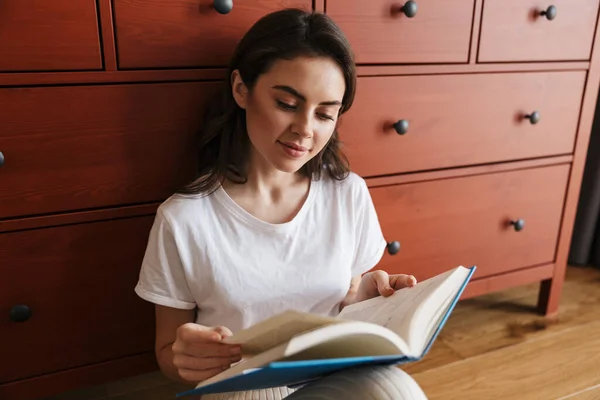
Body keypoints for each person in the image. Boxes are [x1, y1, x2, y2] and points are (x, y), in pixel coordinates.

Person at [134, 7, 429, 400]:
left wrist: (372, 295)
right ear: (241, 89)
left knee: (397, 390)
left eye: (325, 114)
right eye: (288, 104)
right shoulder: (184, 220)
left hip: (327, 379)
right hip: (241, 387)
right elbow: (167, 353)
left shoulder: (348, 194)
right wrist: (186, 357)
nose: (305, 130)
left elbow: (342, 300)